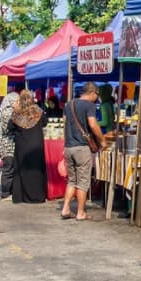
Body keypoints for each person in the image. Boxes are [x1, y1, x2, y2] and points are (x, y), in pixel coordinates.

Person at [61, 82, 104, 221]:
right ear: (92, 92)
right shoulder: (89, 105)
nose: (96, 98)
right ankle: (80, 212)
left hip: (68, 147)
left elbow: (65, 123)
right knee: (83, 181)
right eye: (97, 95)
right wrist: (102, 140)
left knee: (72, 180)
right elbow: (92, 124)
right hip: (81, 148)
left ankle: (65, 208)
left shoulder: (69, 104)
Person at [9, 90, 48, 203]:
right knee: (37, 170)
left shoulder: (17, 113)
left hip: (22, 145)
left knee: (23, 170)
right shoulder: (38, 111)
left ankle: (22, 196)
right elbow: (45, 122)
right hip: (36, 144)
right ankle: (38, 196)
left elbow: (10, 128)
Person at [0, 92, 20, 200]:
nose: (18, 103)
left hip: (9, 144)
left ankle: (9, 191)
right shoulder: (8, 112)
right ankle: (5, 192)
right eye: (17, 101)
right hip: (8, 144)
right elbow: (9, 128)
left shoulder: (5, 111)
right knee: (8, 169)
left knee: (10, 168)